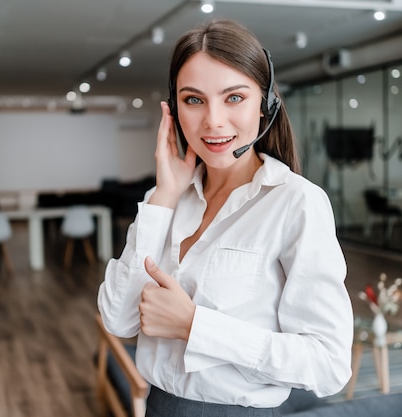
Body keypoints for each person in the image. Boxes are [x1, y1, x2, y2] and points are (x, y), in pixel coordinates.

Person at [97, 18, 353, 417]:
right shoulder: (163, 199)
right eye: (194, 100)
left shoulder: (296, 203)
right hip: (158, 406)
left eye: (234, 97)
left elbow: (329, 363)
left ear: (266, 104)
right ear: (174, 109)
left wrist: (195, 325)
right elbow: (118, 319)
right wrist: (164, 194)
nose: (213, 121)